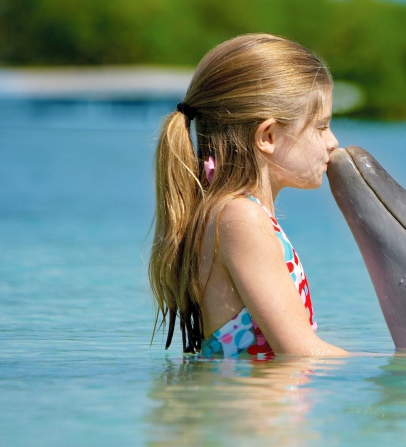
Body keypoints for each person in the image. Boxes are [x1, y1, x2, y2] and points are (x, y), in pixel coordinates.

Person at [149, 33, 347, 358]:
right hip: (248, 408)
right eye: (321, 127)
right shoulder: (241, 217)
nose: (333, 142)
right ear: (267, 136)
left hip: (252, 406)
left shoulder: (231, 212)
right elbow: (301, 352)